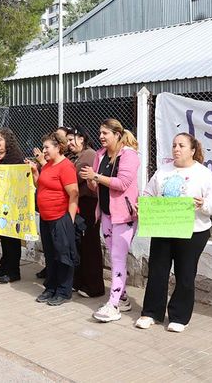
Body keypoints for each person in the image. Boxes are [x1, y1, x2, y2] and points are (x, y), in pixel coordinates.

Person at [135, 133, 212, 333]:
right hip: (164, 228)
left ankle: (179, 316)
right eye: (174, 145)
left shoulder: (203, 174)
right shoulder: (163, 171)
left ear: (192, 150)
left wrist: (204, 204)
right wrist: (142, 206)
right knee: (157, 271)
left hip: (193, 232)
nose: (176, 149)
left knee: (185, 274)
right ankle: (151, 313)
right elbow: (149, 194)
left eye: (181, 145)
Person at [79, 120, 140, 321]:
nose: (101, 136)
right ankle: (122, 298)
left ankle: (113, 304)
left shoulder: (129, 156)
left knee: (117, 257)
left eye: (105, 133)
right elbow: (97, 187)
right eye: (100, 132)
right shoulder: (100, 155)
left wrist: (95, 176)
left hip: (124, 216)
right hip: (106, 213)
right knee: (114, 258)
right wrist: (91, 179)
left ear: (117, 134)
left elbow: (122, 183)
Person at [28, 132, 79, 306]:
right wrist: (35, 172)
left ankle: (64, 291)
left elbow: (74, 193)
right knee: (50, 255)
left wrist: (69, 220)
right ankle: (51, 287)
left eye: (47, 147)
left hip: (60, 218)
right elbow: (40, 185)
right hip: (46, 217)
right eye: (43, 148)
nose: (44, 151)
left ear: (58, 147)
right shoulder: (48, 165)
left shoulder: (66, 167)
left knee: (63, 256)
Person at [67, 127, 105, 300]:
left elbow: (74, 177)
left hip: (89, 204)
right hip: (79, 203)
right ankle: (80, 280)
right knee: (79, 244)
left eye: (71, 140)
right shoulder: (74, 156)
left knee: (90, 244)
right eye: (67, 141)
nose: (69, 144)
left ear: (81, 139)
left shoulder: (89, 155)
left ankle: (94, 285)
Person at [0, 128, 26, 284]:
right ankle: (3, 267)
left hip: (12, 205)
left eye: (0, 139)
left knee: (12, 239)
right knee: (3, 237)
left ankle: (13, 271)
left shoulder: (15, 159)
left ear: (7, 141)